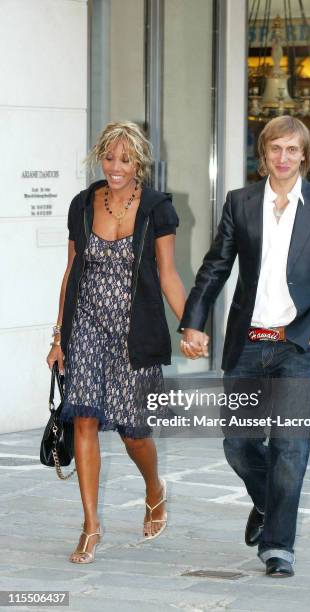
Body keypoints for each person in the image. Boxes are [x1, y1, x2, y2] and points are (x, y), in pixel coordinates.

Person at [179, 116, 310, 578]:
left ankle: (278, 546)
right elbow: (216, 265)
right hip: (248, 344)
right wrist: (194, 322)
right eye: (276, 148)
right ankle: (268, 503)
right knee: (239, 443)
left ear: (304, 156)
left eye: (292, 150)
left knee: (290, 449)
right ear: (264, 154)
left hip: (297, 344)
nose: (283, 158)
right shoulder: (241, 202)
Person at [46, 121, 186, 563]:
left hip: (134, 330)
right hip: (85, 323)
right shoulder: (84, 204)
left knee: (134, 432)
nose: (115, 167)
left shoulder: (158, 208)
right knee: (83, 418)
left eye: (125, 159)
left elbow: (167, 274)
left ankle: (154, 488)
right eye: (109, 157)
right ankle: (90, 526)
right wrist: (58, 336)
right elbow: (71, 272)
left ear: (139, 161)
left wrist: (191, 324)